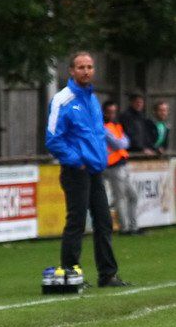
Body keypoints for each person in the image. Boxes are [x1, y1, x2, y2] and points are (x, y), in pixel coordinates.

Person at [45, 52, 129, 288]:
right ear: (71, 71)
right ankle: (71, 273)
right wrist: (77, 160)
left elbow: (97, 135)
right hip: (76, 170)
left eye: (90, 67)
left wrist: (99, 158)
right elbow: (53, 139)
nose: (86, 71)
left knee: (104, 221)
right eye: (81, 67)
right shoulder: (62, 100)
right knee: (77, 221)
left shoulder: (92, 99)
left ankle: (108, 275)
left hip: (95, 170)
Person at [102, 100, 142, 235]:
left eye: (114, 112)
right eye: (109, 112)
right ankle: (125, 228)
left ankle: (132, 226)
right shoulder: (104, 127)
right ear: (104, 113)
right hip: (113, 166)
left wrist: (122, 142)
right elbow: (119, 144)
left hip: (121, 164)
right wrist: (122, 142)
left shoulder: (116, 126)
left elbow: (125, 141)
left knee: (132, 196)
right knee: (121, 197)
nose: (112, 115)